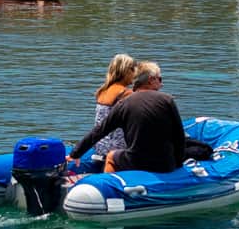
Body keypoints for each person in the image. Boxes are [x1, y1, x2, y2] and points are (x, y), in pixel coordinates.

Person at [72, 60, 200, 175]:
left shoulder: (124, 103)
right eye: (159, 79)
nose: (161, 84)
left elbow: (99, 131)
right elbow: (178, 136)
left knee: (111, 156)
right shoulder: (167, 100)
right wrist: (177, 163)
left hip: (136, 161)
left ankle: (111, 185)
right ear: (150, 80)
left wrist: (75, 154)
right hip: (165, 164)